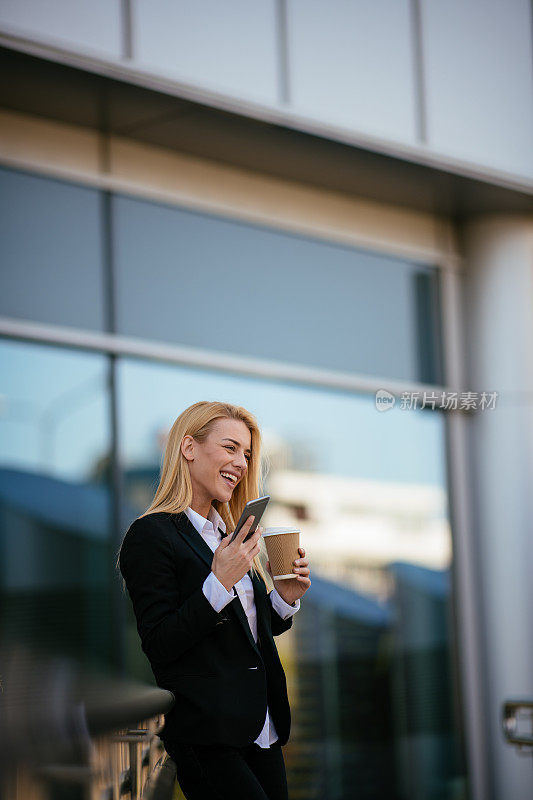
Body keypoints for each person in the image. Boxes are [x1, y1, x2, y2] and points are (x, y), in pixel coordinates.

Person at [119, 401, 311, 800]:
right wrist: (219, 581)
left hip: (263, 731)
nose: (241, 463)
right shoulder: (151, 535)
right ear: (189, 448)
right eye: (230, 448)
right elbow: (160, 643)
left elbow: (244, 631)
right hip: (208, 737)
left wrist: (283, 601)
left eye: (246, 453)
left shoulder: (230, 535)